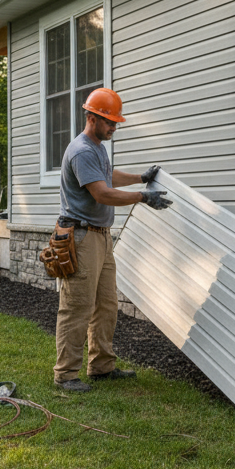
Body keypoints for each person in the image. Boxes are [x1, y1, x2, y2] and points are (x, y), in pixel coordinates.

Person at [54, 87, 172, 392]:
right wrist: (143, 197)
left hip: (101, 238)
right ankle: (66, 374)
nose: (114, 127)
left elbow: (107, 176)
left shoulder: (97, 148)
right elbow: (102, 193)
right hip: (81, 238)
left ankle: (101, 367)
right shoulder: (81, 150)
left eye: (115, 122)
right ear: (92, 117)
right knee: (78, 305)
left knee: (106, 305)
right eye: (109, 122)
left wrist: (139, 178)